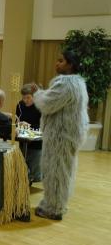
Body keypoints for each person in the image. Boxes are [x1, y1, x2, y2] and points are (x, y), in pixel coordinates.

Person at [33, 50, 89, 221]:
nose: (57, 63)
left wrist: (37, 92)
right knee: (63, 170)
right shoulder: (78, 83)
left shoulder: (66, 83)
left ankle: (54, 208)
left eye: (61, 61)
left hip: (61, 135)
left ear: (70, 64)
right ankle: (55, 202)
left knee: (55, 170)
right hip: (69, 134)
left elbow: (47, 104)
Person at [16, 83, 42, 184]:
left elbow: (43, 125)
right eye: (23, 98)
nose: (25, 100)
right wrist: (19, 123)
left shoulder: (40, 107)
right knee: (23, 164)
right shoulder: (20, 105)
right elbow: (16, 120)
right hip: (23, 139)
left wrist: (29, 126)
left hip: (37, 142)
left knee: (36, 176)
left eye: (28, 97)